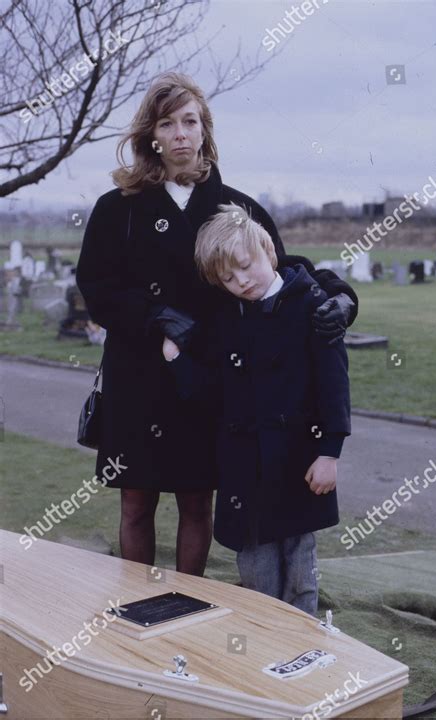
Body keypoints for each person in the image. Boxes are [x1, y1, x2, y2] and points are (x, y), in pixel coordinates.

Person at [76, 71, 358, 575]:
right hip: (138, 374)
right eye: (168, 123)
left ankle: (188, 600)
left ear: (204, 130)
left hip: (211, 377)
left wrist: (339, 295)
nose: (181, 133)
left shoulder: (238, 207)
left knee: (195, 503)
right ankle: (139, 603)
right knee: (136, 504)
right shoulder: (117, 209)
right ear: (151, 136)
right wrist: (156, 316)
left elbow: (285, 267)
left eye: (190, 121)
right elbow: (96, 288)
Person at [162, 203, 351, 614]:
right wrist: (178, 360)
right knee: (255, 567)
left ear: (268, 250)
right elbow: (214, 391)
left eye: (245, 267)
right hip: (244, 466)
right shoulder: (229, 317)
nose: (240, 281)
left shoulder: (314, 306)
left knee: (300, 564)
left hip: (300, 458)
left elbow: (333, 385)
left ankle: (303, 641)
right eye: (227, 278)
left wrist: (329, 452)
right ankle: (264, 640)